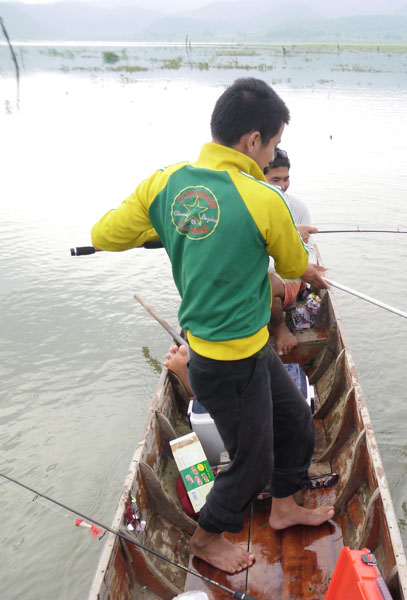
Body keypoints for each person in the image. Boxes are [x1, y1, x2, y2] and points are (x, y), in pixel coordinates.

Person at [90, 77, 334, 575]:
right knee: (251, 464)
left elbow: (104, 235)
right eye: (271, 144)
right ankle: (205, 539)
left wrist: (169, 225)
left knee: (295, 425)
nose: (271, 156)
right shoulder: (263, 198)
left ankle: (284, 508)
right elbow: (292, 264)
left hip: (246, 348)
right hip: (226, 362)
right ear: (251, 142)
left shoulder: (164, 182)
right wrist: (293, 247)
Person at [264, 147, 316, 355]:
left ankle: (279, 327)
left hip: (285, 278)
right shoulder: (249, 207)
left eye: (286, 179)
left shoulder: (298, 208)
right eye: (275, 180)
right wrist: (289, 238)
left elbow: (309, 253)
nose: (283, 186)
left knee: (265, 284)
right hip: (254, 275)